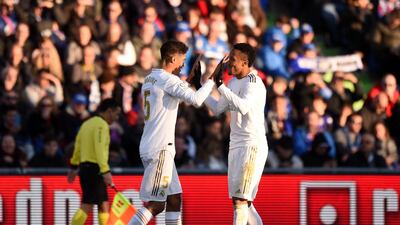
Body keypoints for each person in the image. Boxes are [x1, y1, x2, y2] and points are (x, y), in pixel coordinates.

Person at [127, 40, 215, 225]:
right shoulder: (169, 80)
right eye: (182, 60)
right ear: (173, 58)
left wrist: (188, 83)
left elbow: (169, 98)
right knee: (157, 204)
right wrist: (211, 81)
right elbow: (197, 100)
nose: (183, 64)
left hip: (153, 144)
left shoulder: (150, 78)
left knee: (174, 198)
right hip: (160, 149)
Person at [204, 43, 268, 225]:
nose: (228, 62)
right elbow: (217, 108)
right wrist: (200, 86)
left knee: (241, 200)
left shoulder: (254, 83)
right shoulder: (233, 82)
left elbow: (244, 106)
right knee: (241, 202)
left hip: (251, 145)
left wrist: (220, 86)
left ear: (244, 62)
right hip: (236, 145)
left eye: (232, 59)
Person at [67, 98, 121, 225]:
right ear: (109, 111)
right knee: (88, 205)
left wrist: (74, 166)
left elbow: (78, 147)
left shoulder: (86, 124)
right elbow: (100, 150)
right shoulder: (101, 125)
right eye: (116, 113)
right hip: (95, 170)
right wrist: (105, 171)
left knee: (102, 204)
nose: (117, 117)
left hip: (85, 170)